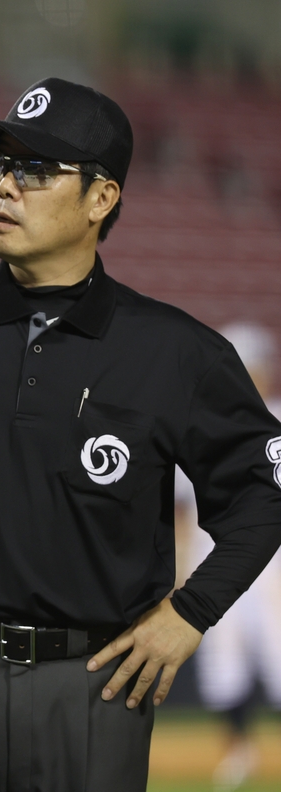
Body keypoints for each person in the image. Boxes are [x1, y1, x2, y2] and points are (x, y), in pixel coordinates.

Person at [0, 78, 281, 792]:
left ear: (101, 198)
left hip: (94, 689)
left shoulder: (174, 350)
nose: (4, 186)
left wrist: (191, 612)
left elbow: (265, 489)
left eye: (33, 170)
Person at [176, 322, 281, 791]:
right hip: (216, 558)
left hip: (275, 561)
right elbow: (180, 508)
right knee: (224, 659)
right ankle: (237, 750)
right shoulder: (202, 417)